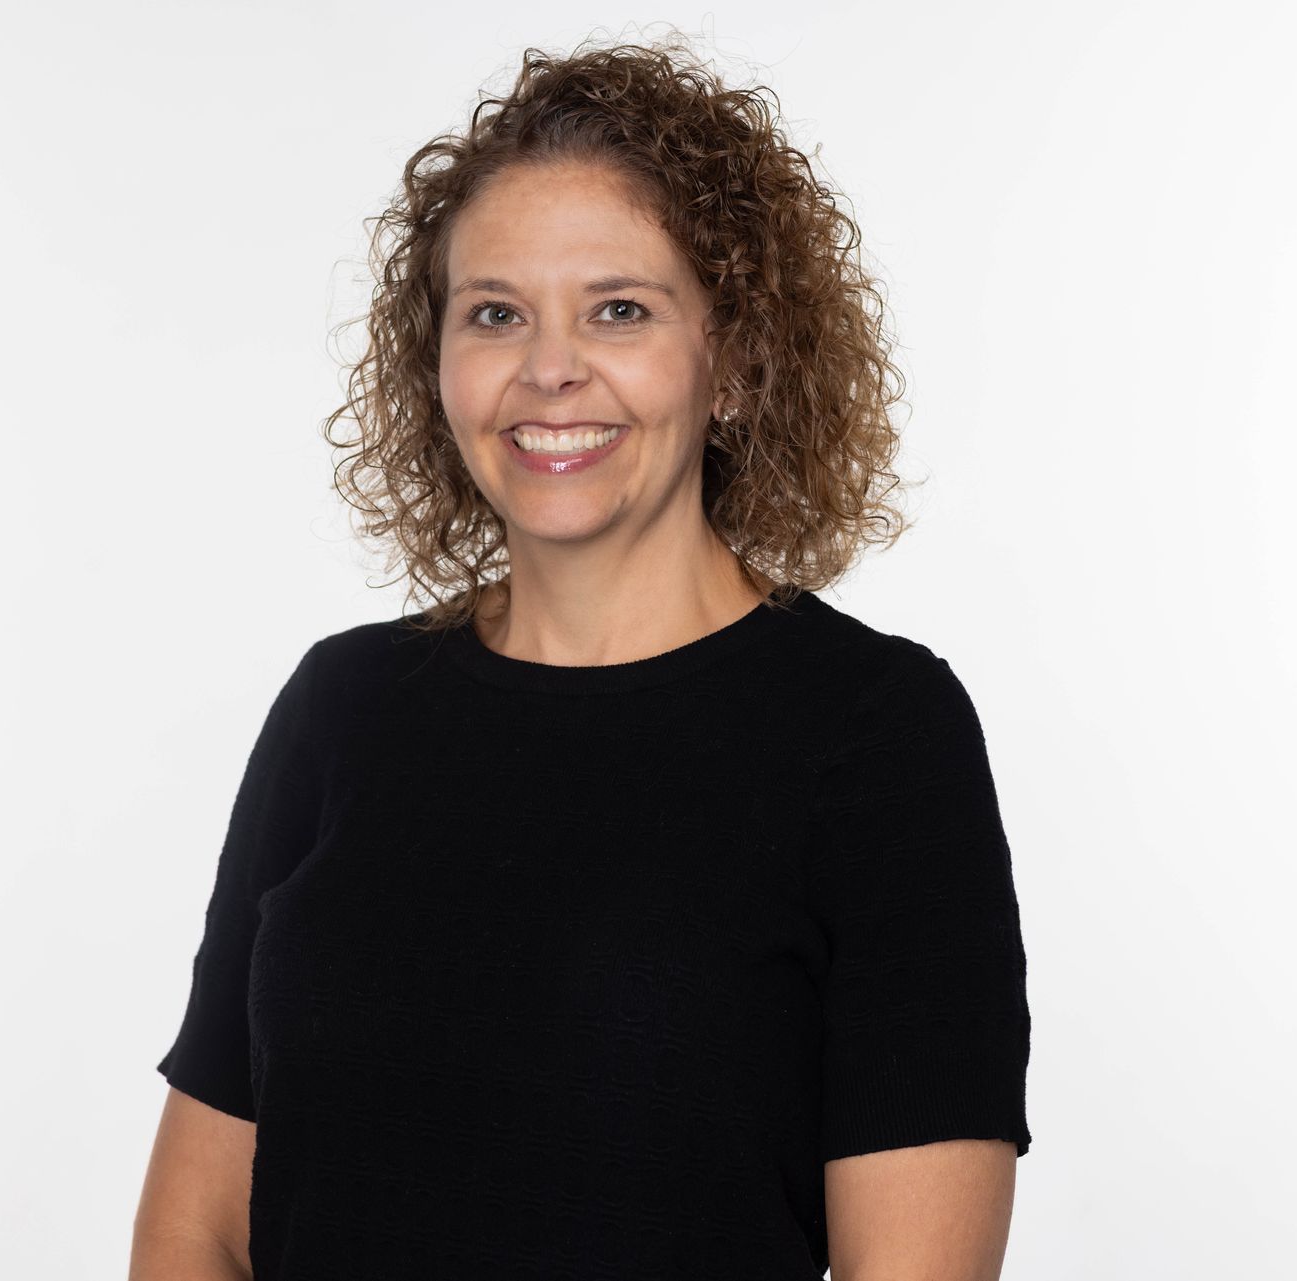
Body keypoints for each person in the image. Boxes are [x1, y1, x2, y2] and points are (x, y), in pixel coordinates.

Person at [130, 31, 1032, 1281]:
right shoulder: (344, 706)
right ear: (437, 365)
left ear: (735, 360)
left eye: (620, 309)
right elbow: (197, 1233)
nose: (549, 369)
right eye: (496, 314)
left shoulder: (874, 733)